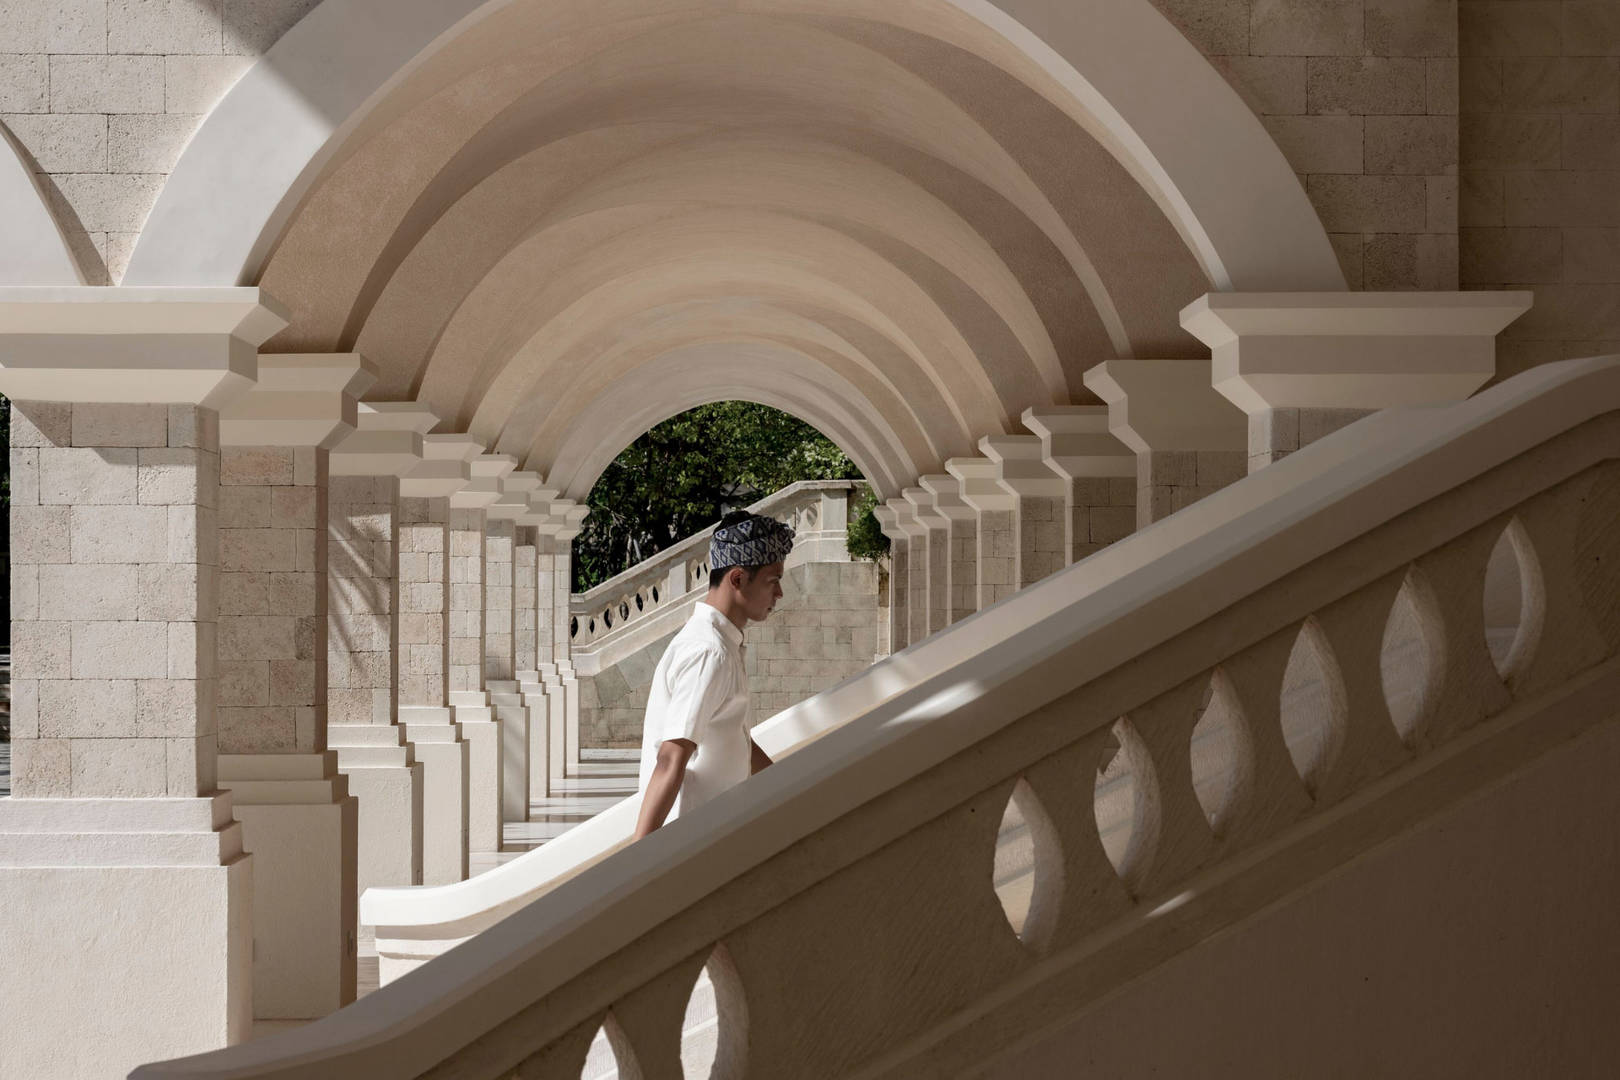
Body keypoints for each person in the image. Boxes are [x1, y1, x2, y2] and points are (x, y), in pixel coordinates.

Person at [633, 510, 793, 839]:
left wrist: (791, 792)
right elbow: (670, 758)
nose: (779, 594)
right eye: (772, 581)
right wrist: (637, 857)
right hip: (690, 840)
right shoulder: (709, 652)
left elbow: (735, 740)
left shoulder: (721, 644)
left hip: (715, 835)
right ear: (737, 579)